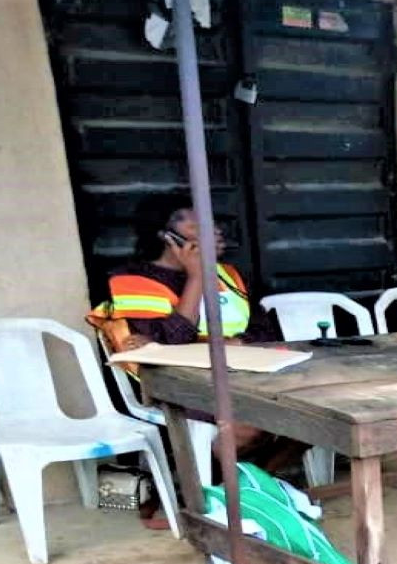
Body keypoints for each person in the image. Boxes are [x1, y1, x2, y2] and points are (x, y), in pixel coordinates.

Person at [88, 204, 307, 526]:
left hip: (237, 375)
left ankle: (245, 486)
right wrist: (195, 278)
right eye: (200, 227)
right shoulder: (133, 281)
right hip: (172, 386)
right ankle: (212, 495)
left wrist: (232, 342)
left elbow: (265, 333)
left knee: (310, 416)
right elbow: (170, 347)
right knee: (244, 428)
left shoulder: (229, 276)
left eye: (215, 225)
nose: (216, 231)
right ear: (169, 237)